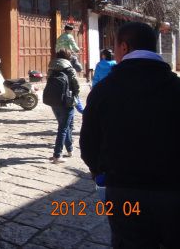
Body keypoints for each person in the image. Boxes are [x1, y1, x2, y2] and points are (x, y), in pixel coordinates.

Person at [80, 22, 180, 248]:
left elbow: (89, 145)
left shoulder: (104, 90)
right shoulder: (176, 87)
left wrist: (99, 171)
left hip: (124, 192)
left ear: (124, 47)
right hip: (173, 191)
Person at [46, 49, 80, 163]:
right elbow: (76, 85)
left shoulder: (51, 68)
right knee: (63, 127)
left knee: (66, 125)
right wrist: (75, 96)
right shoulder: (70, 69)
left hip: (53, 100)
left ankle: (69, 149)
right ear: (68, 58)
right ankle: (57, 155)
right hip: (67, 101)